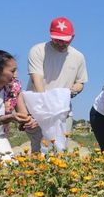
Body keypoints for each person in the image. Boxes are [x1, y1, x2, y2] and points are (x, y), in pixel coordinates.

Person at [26, 17, 88, 152]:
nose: (61, 43)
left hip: (63, 109)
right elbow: (37, 80)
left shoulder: (78, 57)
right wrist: (46, 106)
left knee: (60, 148)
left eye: (65, 40)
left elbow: (80, 82)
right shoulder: (38, 50)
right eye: (57, 39)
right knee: (38, 148)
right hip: (38, 107)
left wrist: (72, 91)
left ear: (72, 37)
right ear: (50, 35)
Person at [0, 48, 33, 162]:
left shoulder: (14, 88)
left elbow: (23, 114)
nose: (16, 75)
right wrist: (5, 118)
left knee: (9, 167)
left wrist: (28, 121)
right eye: (12, 71)